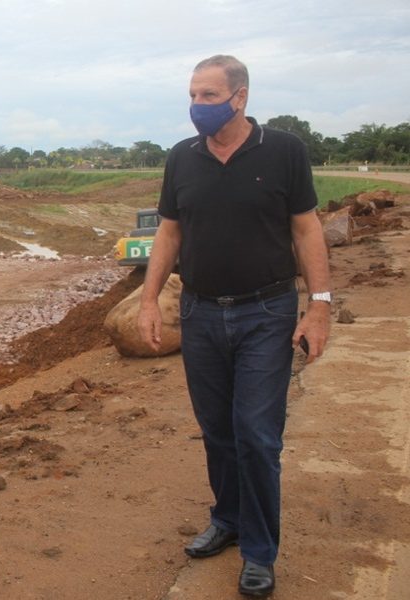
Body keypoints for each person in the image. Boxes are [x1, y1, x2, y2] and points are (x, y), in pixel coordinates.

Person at [137, 55, 331, 598]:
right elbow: (169, 234)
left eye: (207, 95)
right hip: (199, 313)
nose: (197, 106)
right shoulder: (183, 158)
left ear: (239, 97)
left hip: (265, 313)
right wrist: (149, 301)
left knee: (257, 435)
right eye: (193, 96)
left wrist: (319, 307)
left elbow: (306, 230)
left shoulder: (285, 151)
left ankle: (260, 551)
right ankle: (227, 519)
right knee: (218, 430)